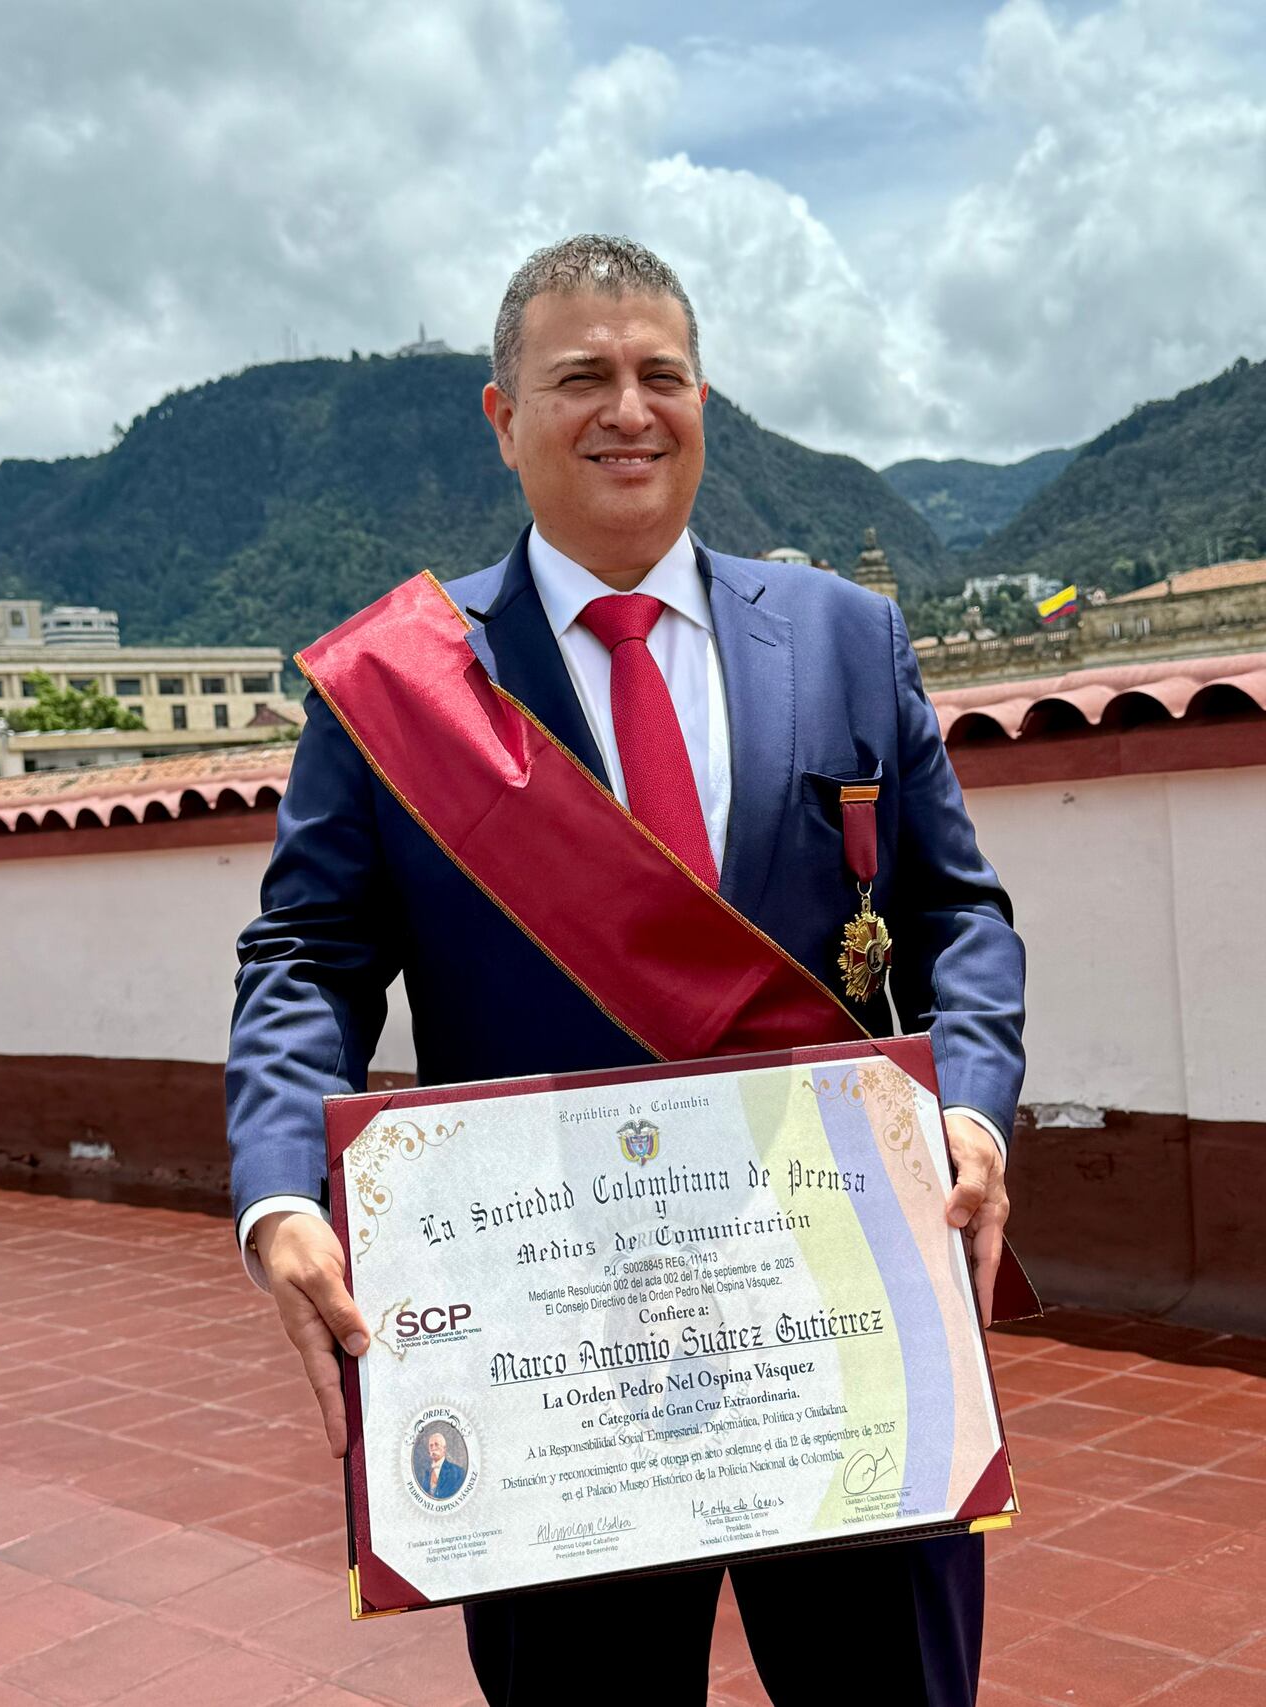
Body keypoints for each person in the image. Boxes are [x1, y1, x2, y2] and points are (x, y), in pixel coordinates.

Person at [226, 233, 1024, 1707]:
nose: (629, 410)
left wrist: (971, 1106)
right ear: (502, 415)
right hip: (552, 1341)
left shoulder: (852, 638)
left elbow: (959, 918)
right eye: (582, 376)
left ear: (705, 400)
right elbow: (308, 954)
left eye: (664, 374)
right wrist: (280, 1188)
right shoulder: (407, 683)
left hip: (839, 1302)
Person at [419, 1431, 466, 1500]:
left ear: (444, 1448)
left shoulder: (458, 1472)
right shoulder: (427, 1473)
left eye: (436, 1444)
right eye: (431, 1445)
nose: (433, 1448)